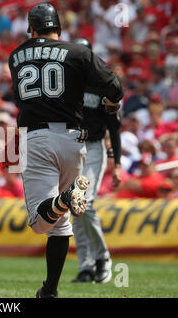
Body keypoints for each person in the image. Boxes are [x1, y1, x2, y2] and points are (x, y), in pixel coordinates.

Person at [8, 4, 123, 298]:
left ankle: (65, 198)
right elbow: (115, 86)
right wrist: (112, 103)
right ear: (58, 26)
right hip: (76, 141)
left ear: (31, 29)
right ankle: (50, 289)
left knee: (39, 222)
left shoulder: (16, 56)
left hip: (36, 137)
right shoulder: (79, 52)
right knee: (60, 225)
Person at [70, 38, 122, 284]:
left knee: (85, 203)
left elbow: (114, 126)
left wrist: (118, 164)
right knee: (74, 208)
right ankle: (85, 266)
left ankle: (102, 257)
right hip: (70, 148)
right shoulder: (64, 86)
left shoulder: (103, 85)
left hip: (93, 148)